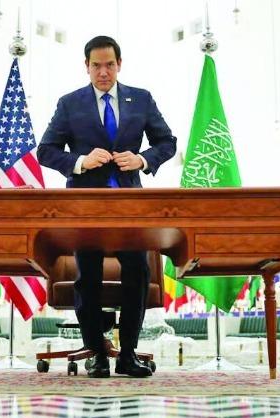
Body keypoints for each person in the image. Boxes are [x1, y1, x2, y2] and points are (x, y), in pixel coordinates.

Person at [37, 36, 176, 378]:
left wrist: (142, 160)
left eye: (109, 65)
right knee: (88, 275)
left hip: (130, 206)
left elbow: (167, 142)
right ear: (86, 66)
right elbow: (46, 151)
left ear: (119, 64)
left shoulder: (141, 99)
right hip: (85, 206)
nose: (103, 72)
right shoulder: (69, 103)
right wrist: (81, 161)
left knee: (138, 272)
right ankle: (97, 354)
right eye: (96, 65)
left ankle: (127, 355)